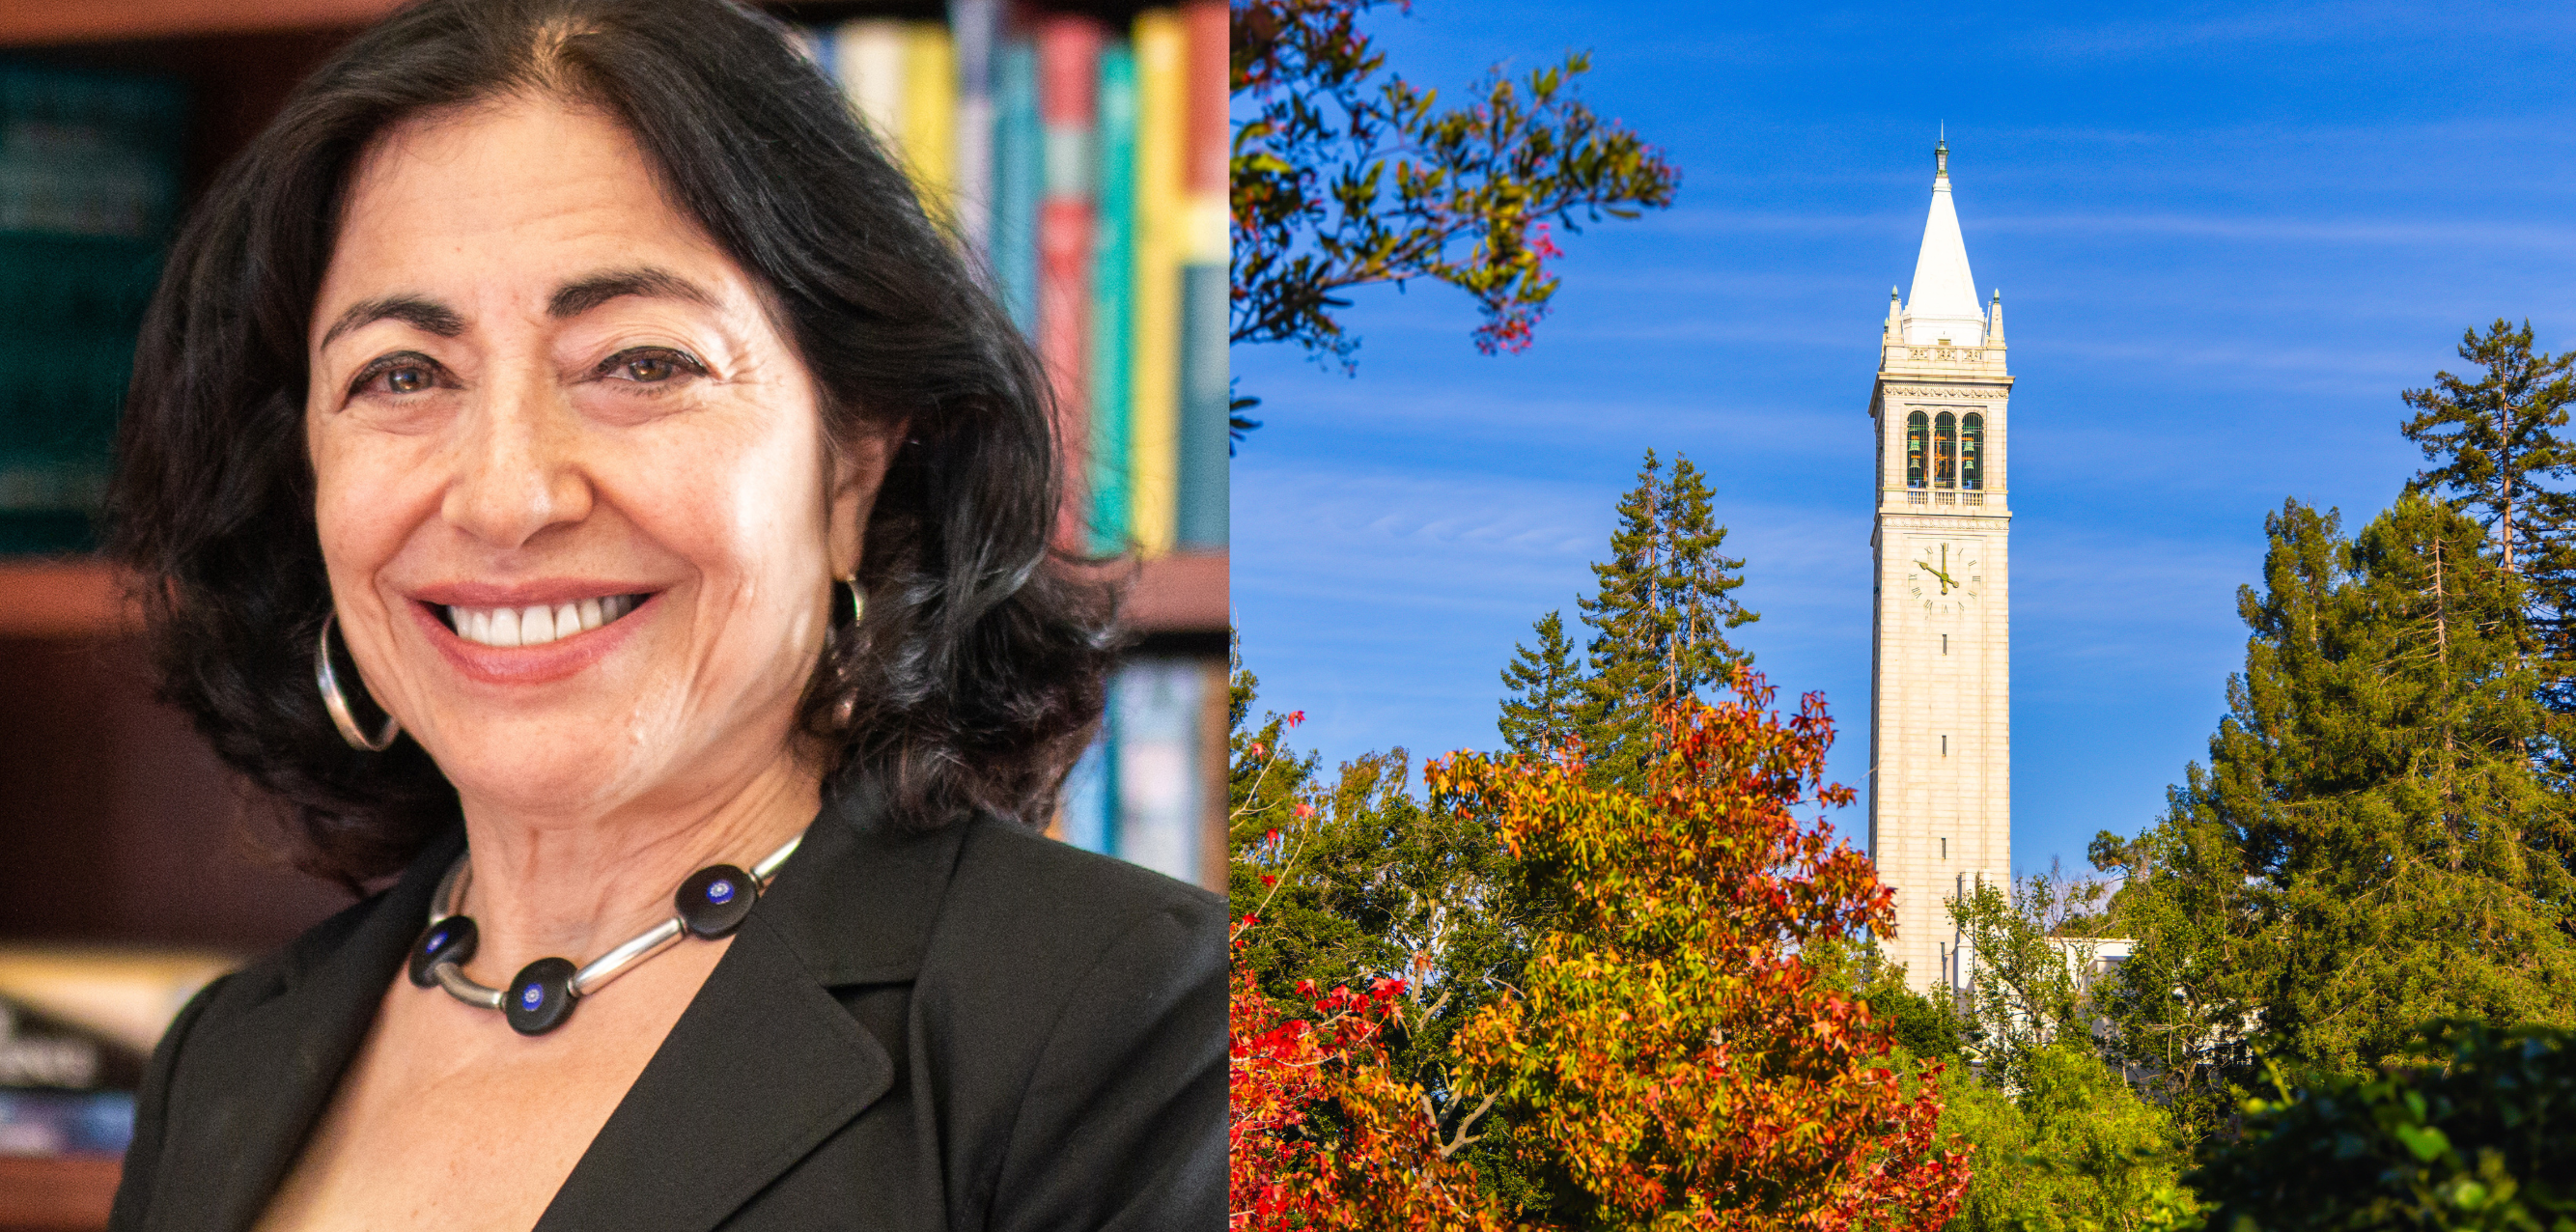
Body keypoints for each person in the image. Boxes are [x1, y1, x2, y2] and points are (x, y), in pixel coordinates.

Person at [98, 0, 1224, 1227]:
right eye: (403, 375)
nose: (508, 495)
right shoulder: (229, 1054)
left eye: (641, 363)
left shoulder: (1148, 1029)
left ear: (855, 462)